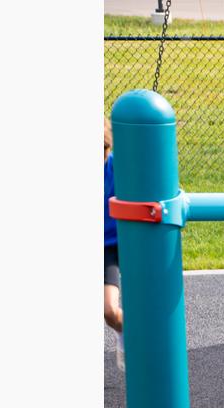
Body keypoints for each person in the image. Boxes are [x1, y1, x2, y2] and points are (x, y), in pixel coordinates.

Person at [104, 118, 124, 372]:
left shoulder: (122, 166)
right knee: (110, 312)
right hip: (103, 246)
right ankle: (127, 332)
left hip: (128, 241)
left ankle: (143, 344)